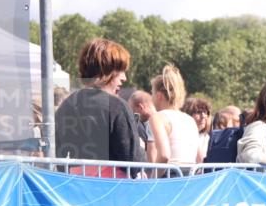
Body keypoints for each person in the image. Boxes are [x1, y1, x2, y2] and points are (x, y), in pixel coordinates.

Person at [55, 38, 146, 176]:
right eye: (119, 70)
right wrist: (140, 147)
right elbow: (133, 164)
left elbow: (59, 159)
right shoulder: (117, 107)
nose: (124, 78)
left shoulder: (67, 105)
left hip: (75, 190)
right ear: (105, 70)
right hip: (112, 191)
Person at [148, 65, 199, 165]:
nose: (151, 98)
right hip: (190, 177)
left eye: (152, 94)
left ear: (159, 96)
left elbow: (164, 155)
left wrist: (153, 178)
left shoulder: (158, 118)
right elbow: (199, 156)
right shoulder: (190, 120)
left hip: (169, 176)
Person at [182, 97, 212, 163]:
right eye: (198, 112)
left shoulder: (207, 138)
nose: (203, 116)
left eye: (205, 112)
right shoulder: (181, 137)